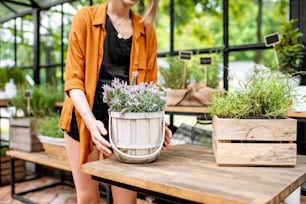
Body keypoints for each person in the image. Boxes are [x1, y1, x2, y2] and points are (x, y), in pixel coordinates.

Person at [59, 0, 172, 203]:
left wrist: (158, 122)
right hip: (83, 121)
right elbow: (74, 81)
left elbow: (149, 86)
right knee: (88, 198)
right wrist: (91, 123)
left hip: (126, 128)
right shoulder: (84, 18)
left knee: (127, 201)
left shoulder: (146, 30)